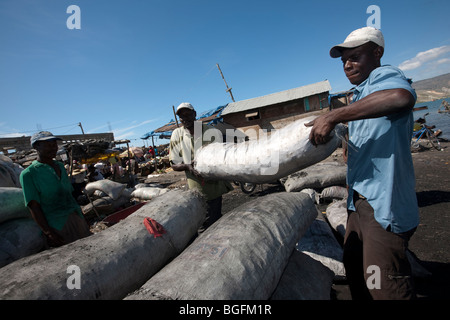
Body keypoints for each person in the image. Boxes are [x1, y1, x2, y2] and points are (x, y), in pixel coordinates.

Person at [306, 27, 419, 300]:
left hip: (383, 205)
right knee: (356, 271)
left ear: (377, 52)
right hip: (358, 203)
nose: (347, 64)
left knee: (383, 285)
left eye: (355, 57)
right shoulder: (361, 95)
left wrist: (334, 116)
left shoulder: (384, 76)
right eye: (344, 60)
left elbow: (401, 97)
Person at [169, 102, 233, 234]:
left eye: (188, 114)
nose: (185, 118)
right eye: (182, 116)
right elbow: (174, 164)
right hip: (196, 188)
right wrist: (187, 166)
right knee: (203, 225)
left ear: (195, 114)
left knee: (215, 219)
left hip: (214, 184)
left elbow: (220, 155)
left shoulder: (210, 131)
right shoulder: (177, 134)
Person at [20, 131, 92, 248]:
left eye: (54, 144)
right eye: (48, 144)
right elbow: (34, 206)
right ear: (36, 146)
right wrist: (48, 232)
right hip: (57, 224)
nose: (53, 148)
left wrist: (82, 217)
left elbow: (69, 195)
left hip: (76, 217)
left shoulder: (59, 166)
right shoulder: (28, 174)